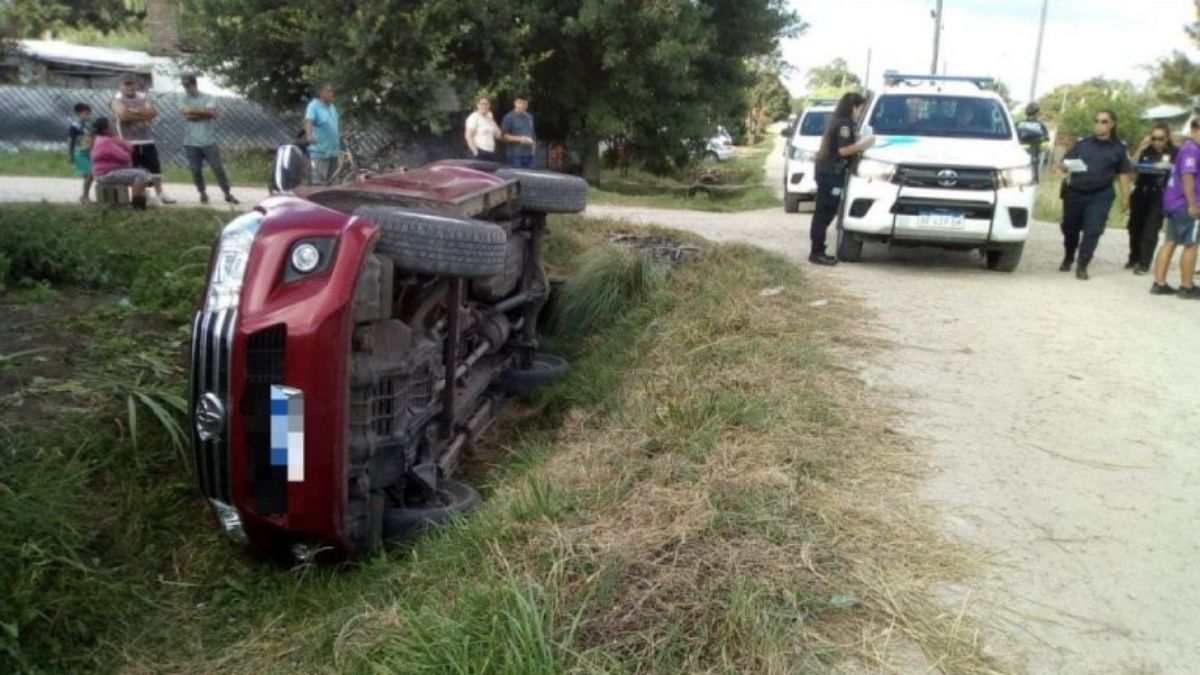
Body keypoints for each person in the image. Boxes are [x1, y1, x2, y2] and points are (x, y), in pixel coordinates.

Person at [1057, 109, 1133, 280]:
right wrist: (1064, 166)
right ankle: (1069, 256)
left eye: (1104, 121)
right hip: (1075, 193)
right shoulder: (1082, 144)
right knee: (1070, 229)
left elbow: (1123, 173)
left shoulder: (1119, 148)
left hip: (1100, 195)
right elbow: (1064, 163)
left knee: (1093, 230)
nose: (1099, 125)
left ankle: (1083, 264)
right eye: (1097, 121)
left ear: (1112, 124)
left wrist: (1125, 197)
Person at [810, 92, 875, 266]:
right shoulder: (844, 124)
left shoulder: (840, 121)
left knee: (826, 212)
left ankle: (818, 250)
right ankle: (816, 252)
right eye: (860, 109)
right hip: (831, 173)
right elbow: (843, 150)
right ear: (853, 107)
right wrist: (863, 144)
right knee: (824, 212)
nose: (860, 113)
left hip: (830, 172)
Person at [1150, 117, 1200, 298]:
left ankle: (1159, 283)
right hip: (1185, 203)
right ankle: (1187, 286)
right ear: (1194, 130)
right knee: (1191, 244)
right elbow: (1187, 177)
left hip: (1174, 202)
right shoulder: (1192, 150)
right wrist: (1192, 204)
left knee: (1170, 241)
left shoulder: (1186, 148)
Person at [111, 75, 175, 204]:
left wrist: (132, 112)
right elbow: (123, 116)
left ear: (136, 85)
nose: (129, 87)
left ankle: (160, 193)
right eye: (126, 84)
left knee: (154, 168)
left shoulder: (143, 98)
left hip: (147, 140)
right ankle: (143, 195)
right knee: (135, 170)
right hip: (129, 141)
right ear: (120, 86)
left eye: (131, 84)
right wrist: (142, 114)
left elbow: (153, 112)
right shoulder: (116, 100)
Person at [1125, 122, 1176, 274]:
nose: (1156, 142)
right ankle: (1134, 257)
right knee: (1134, 228)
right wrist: (1140, 149)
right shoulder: (1146, 150)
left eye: (1160, 138)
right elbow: (1130, 167)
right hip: (1141, 192)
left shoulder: (1174, 151)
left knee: (1151, 230)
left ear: (1167, 138)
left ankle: (1144, 263)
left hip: (1159, 193)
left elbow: (1181, 170)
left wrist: (1169, 166)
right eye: (1154, 138)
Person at [181, 74, 239, 204]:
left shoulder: (208, 97)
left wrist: (195, 112)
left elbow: (211, 112)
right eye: (185, 86)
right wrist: (205, 113)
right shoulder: (183, 98)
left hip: (208, 140)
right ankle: (202, 193)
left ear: (195, 84)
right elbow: (187, 115)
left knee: (217, 168)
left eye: (189, 86)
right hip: (190, 142)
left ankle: (227, 193)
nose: (187, 89)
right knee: (195, 170)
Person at [89, 117, 153, 210]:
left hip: (108, 172)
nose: (114, 126)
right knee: (142, 175)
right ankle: (134, 205)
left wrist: (117, 140)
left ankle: (140, 206)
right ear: (105, 130)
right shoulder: (105, 142)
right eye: (111, 125)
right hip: (106, 174)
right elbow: (125, 157)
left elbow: (130, 148)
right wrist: (125, 151)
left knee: (142, 174)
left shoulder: (105, 139)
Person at [304, 83, 340, 185]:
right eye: (328, 91)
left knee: (333, 183)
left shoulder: (332, 107)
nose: (331, 94)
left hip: (333, 152)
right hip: (320, 152)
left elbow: (334, 123)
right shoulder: (313, 106)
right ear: (321, 93)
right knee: (319, 184)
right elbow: (308, 121)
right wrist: (309, 135)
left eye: (331, 91)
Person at [1017, 102, 1050, 182]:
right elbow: (1046, 142)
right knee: (1033, 179)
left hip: (1019, 156)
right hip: (1034, 156)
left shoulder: (1018, 125)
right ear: (1037, 113)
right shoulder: (1041, 126)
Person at [68, 103, 94, 204]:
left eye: (89, 114)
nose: (88, 116)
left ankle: (85, 196)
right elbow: (71, 141)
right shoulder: (75, 126)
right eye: (86, 114)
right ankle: (84, 196)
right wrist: (70, 155)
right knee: (90, 174)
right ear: (78, 114)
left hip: (88, 152)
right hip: (79, 153)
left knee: (89, 176)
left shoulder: (88, 126)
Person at [501, 94, 536, 168]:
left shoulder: (529, 117)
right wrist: (520, 139)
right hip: (515, 156)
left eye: (524, 103)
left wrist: (533, 151)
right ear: (515, 103)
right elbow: (503, 137)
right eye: (520, 103)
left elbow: (532, 135)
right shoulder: (509, 117)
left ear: (527, 105)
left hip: (529, 156)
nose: (522, 105)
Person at [464, 96, 502, 161]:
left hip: (490, 152)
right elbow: (468, 135)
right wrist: (475, 152)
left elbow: (498, 135)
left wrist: (492, 121)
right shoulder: (474, 117)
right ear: (477, 105)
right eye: (481, 104)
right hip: (479, 152)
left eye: (486, 104)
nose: (484, 106)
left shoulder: (490, 119)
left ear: (489, 105)